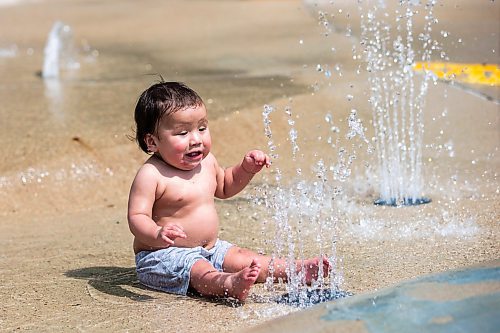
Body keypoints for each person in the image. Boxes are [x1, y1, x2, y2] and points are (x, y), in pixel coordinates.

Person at [128, 81, 329, 302]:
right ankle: (229, 284)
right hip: (163, 256)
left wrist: (246, 169)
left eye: (202, 128)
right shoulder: (151, 174)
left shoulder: (207, 163)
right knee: (200, 271)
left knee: (244, 257)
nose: (196, 139)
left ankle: (293, 270)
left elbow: (224, 186)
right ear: (152, 141)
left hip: (211, 248)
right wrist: (157, 234)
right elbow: (137, 217)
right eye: (183, 133)